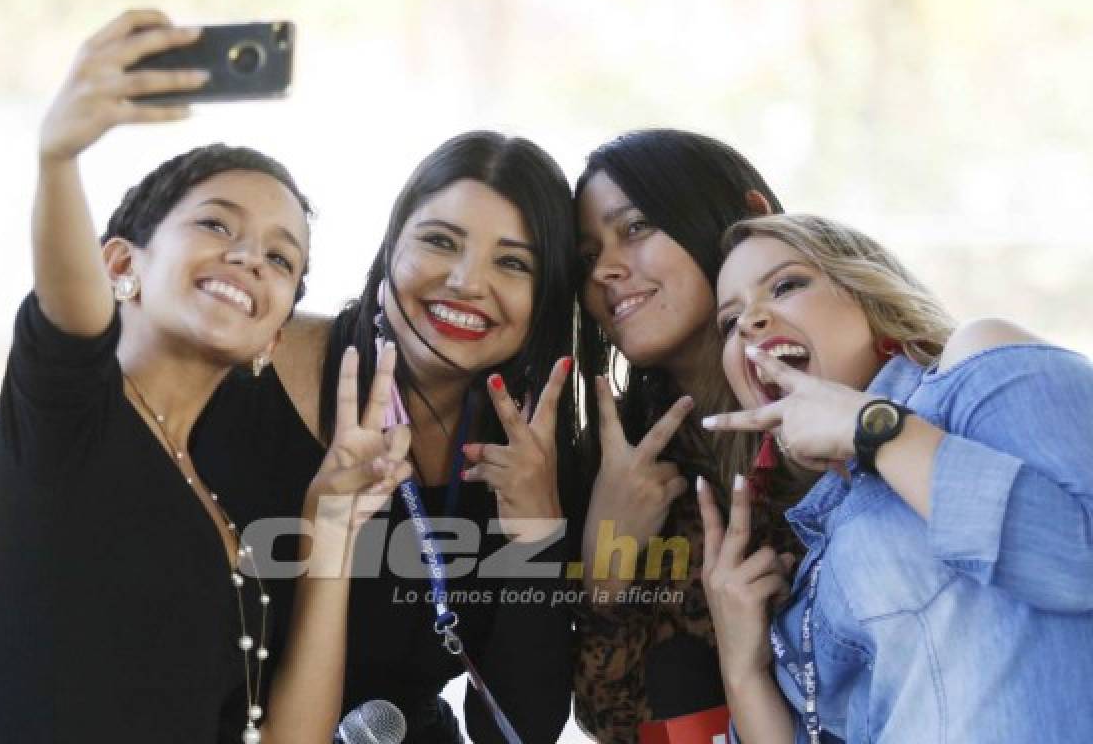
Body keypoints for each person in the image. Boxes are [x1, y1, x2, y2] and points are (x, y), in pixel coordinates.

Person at [0, 10, 411, 744]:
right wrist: (58, 159)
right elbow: (68, 316)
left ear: (274, 334)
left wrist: (332, 528)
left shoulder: (215, 496)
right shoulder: (69, 419)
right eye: (216, 225)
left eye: (280, 259)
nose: (248, 258)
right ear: (121, 265)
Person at [197, 129, 582, 742]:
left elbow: (518, 729)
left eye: (512, 262)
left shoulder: (532, 449)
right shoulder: (250, 365)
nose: (465, 282)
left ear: (548, 296)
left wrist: (536, 539)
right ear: (391, 246)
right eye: (438, 241)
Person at [699, 214, 1093, 742]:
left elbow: (1077, 563)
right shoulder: (813, 561)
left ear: (869, 297)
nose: (749, 322)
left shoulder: (971, 366)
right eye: (730, 322)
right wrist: (742, 669)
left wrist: (877, 431)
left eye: (785, 285)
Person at [571, 128, 800, 742]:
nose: (607, 270)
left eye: (636, 227)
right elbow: (613, 722)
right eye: (588, 254)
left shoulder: (846, 395)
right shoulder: (617, 457)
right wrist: (606, 570)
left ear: (746, 219)